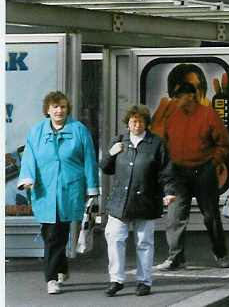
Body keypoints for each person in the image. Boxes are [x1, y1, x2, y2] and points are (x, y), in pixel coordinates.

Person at [17, 91, 100, 295]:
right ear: (48, 109)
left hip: (69, 189)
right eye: (55, 107)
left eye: (62, 106)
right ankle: (61, 267)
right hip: (44, 191)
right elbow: (29, 156)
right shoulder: (37, 131)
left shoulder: (79, 130)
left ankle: (52, 278)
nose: (59, 110)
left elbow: (89, 159)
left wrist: (92, 189)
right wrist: (27, 178)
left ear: (67, 109)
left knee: (56, 233)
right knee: (49, 233)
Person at [152, 81, 229, 269]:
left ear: (190, 96)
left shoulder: (208, 114)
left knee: (210, 216)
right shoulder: (172, 117)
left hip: (204, 170)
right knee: (175, 215)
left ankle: (220, 253)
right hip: (178, 173)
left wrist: (212, 164)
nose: (176, 100)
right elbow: (165, 142)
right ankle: (175, 257)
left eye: (178, 96)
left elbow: (224, 143)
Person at [99, 105, 176, 297]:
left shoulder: (156, 143)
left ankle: (144, 281)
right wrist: (111, 153)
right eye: (133, 121)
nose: (136, 125)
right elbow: (105, 168)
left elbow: (165, 171)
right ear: (127, 123)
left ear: (147, 124)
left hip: (146, 200)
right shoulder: (120, 141)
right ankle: (116, 280)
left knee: (144, 242)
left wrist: (169, 192)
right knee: (115, 239)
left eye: (141, 121)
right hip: (120, 202)